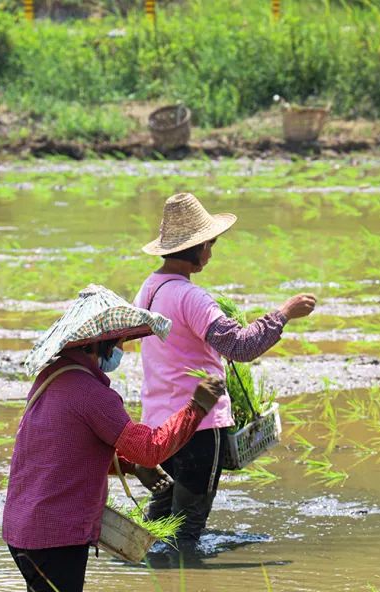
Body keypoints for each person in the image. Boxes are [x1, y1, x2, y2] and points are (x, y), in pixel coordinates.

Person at [3, 284, 226, 592]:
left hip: (25, 531)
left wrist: (125, 465)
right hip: (56, 537)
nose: (120, 350)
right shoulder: (91, 394)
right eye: (118, 343)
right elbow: (152, 447)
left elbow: (64, 452)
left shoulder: (51, 379)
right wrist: (197, 408)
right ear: (98, 346)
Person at [134, 193, 317, 553]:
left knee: (158, 524)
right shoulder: (192, 297)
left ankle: (150, 584)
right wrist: (283, 313)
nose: (211, 253)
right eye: (210, 245)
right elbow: (240, 347)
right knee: (187, 531)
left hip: (158, 426)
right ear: (196, 247)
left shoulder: (148, 289)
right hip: (198, 426)